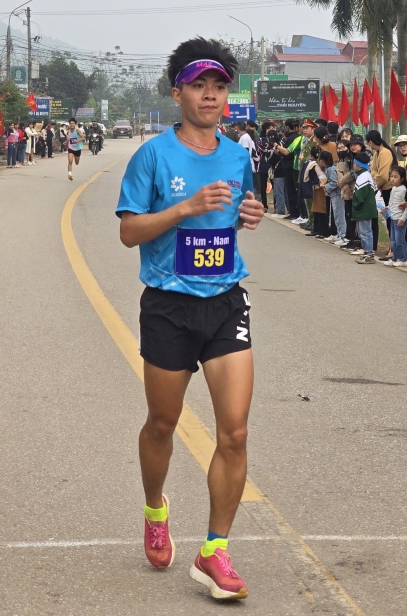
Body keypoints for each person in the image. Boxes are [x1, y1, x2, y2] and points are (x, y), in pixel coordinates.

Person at [115, 38, 263, 600]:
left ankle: (214, 551)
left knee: (236, 430)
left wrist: (251, 213)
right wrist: (185, 208)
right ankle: (156, 509)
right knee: (162, 424)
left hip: (225, 300)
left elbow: (245, 208)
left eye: (219, 86)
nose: (209, 95)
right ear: (177, 90)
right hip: (169, 305)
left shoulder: (238, 153)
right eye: (199, 85)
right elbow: (129, 231)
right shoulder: (152, 156)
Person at [350, 151, 379, 264]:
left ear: (357, 165)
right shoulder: (365, 174)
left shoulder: (363, 176)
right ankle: (367, 252)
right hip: (365, 208)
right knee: (363, 231)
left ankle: (369, 254)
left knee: (366, 231)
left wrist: (356, 206)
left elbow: (360, 196)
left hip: (364, 209)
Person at [385, 165, 407, 267]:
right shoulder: (393, 189)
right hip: (393, 218)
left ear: (402, 178)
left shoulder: (403, 190)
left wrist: (403, 218)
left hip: (399, 219)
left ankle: (403, 259)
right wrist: (387, 210)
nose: (393, 179)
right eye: (391, 176)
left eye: (396, 177)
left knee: (400, 240)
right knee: (393, 240)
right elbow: (391, 203)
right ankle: (395, 257)